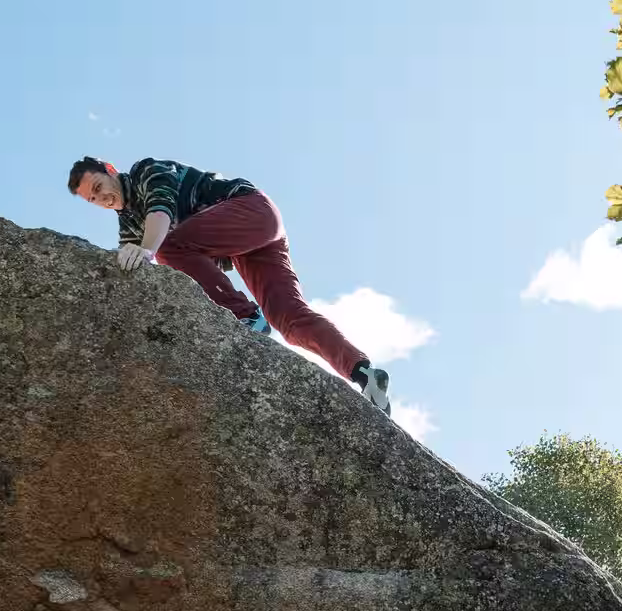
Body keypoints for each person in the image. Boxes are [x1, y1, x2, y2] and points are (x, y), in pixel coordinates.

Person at [66, 156, 394, 416]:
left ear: (110, 170)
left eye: (99, 185)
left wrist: (149, 249)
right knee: (288, 319)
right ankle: (363, 374)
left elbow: (161, 210)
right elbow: (134, 267)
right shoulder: (128, 223)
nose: (102, 197)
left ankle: (245, 317)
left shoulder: (146, 172)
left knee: (168, 246)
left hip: (250, 211)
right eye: (92, 198)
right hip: (245, 245)